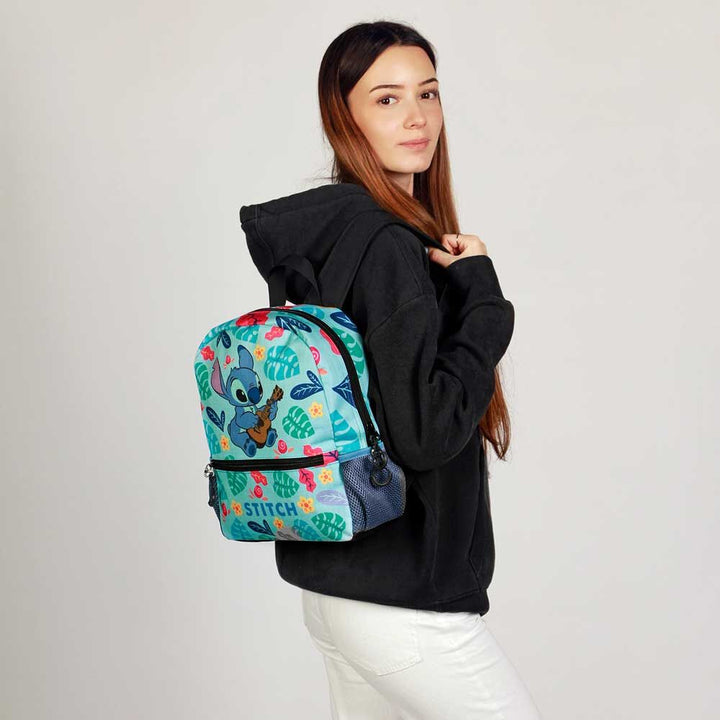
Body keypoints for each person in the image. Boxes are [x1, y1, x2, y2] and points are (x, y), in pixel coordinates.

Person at [240, 20, 543, 720]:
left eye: (427, 93)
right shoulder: (386, 247)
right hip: (402, 606)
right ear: (342, 116)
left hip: (337, 584)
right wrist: (485, 307)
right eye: (387, 98)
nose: (416, 117)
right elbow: (425, 434)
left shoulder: (332, 241)